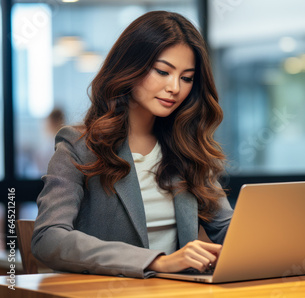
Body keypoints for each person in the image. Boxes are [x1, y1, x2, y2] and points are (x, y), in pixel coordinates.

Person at [31, 11, 233, 278]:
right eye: (163, 71)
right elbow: (48, 238)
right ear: (130, 67)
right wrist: (156, 262)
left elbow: (229, 230)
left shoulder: (187, 148)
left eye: (186, 78)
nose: (175, 87)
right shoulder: (78, 145)